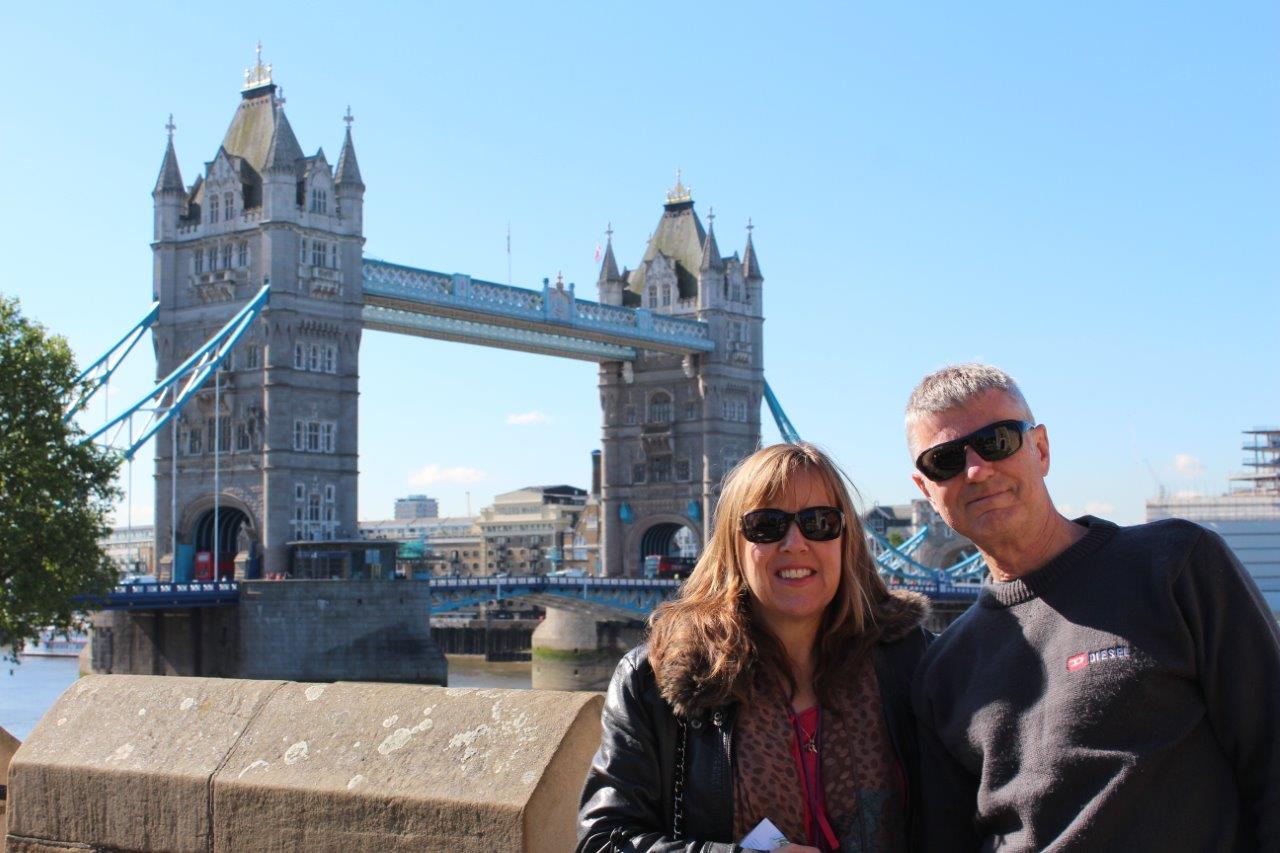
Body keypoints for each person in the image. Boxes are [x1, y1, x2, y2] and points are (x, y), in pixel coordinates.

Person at [905, 363, 1280, 851]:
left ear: (1040, 449)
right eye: (946, 460)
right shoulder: (943, 667)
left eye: (998, 441)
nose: (977, 469)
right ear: (926, 490)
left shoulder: (1175, 565)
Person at [577, 442, 932, 852]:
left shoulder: (912, 661)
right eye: (767, 525)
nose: (796, 543)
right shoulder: (652, 682)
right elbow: (603, 843)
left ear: (846, 540)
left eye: (819, 522)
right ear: (732, 544)